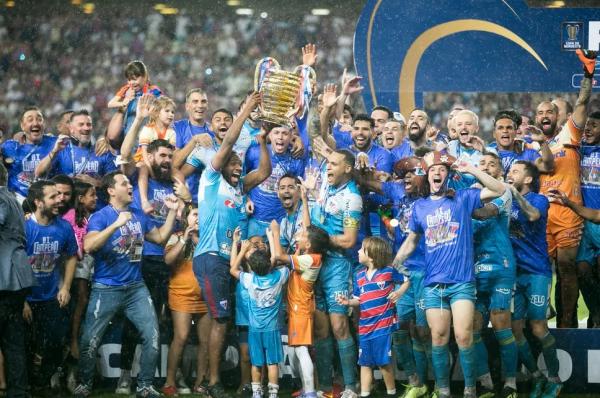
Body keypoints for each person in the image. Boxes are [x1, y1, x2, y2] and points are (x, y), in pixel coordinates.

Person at [392, 151, 506, 398]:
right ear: (427, 176)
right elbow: (412, 240)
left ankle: (469, 390)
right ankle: (443, 390)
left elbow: (499, 190)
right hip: (434, 284)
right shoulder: (419, 207)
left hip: (462, 282)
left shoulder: (463, 198)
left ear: (449, 175)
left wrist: (472, 169)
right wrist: (397, 260)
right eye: (433, 169)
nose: (437, 172)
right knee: (438, 338)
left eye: (442, 169)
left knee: (464, 337)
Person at [74, 171, 181, 398]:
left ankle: (145, 386)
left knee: (151, 335)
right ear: (111, 190)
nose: (130, 187)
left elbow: (161, 237)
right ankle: (84, 384)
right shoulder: (101, 216)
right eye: (124, 184)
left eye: (130, 184)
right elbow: (90, 245)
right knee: (89, 339)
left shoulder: (139, 215)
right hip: (106, 287)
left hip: (135, 288)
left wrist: (172, 211)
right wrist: (115, 225)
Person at [192, 92, 270, 398]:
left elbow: (263, 172)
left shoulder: (239, 185)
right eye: (234, 163)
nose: (238, 167)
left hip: (230, 261)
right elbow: (226, 146)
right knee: (221, 319)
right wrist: (248, 108)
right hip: (211, 257)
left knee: (218, 319)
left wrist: (262, 141)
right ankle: (212, 382)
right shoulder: (212, 178)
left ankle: (208, 380)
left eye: (240, 164)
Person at [353, 156, 430, 398]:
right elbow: (364, 181)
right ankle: (415, 380)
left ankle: (432, 383)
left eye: (413, 171)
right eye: (402, 172)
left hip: (426, 271)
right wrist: (357, 164)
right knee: (399, 331)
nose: (407, 175)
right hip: (399, 271)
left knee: (422, 331)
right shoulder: (396, 192)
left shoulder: (433, 198)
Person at [537, 49, 596, 328]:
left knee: (567, 269)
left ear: (558, 116)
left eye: (549, 111)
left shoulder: (568, 134)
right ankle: (540, 316)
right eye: (540, 112)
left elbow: (583, 101)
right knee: (538, 270)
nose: (544, 115)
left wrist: (588, 72)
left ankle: (567, 323)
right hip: (540, 217)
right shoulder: (530, 144)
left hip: (568, 215)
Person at [308, 149, 362, 398]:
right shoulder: (325, 185)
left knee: (340, 325)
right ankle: (326, 387)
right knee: (320, 328)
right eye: (327, 163)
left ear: (348, 168)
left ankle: (351, 385)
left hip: (337, 266)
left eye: (333, 164)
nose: (327, 168)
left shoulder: (352, 198)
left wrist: (320, 239)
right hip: (315, 263)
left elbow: (350, 240)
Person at [505, 161, 562, 398]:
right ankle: (537, 376)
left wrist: (513, 193)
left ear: (528, 179)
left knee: (538, 327)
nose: (510, 175)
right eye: (509, 172)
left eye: (515, 172)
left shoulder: (539, 199)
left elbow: (532, 215)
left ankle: (555, 379)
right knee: (515, 329)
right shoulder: (504, 200)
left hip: (537, 271)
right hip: (513, 274)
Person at [470, 152, 518, 398]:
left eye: (492, 164)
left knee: (501, 324)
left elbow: (485, 213)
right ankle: (486, 383)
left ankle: (511, 382)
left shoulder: (504, 192)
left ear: (500, 171)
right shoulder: (469, 193)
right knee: (474, 327)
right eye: (482, 164)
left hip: (501, 266)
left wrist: (459, 207)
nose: (487, 167)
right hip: (475, 271)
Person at [23, 180, 77, 393]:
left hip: (52, 296)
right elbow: (15, 263)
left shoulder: (64, 226)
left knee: (56, 341)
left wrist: (66, 287)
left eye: (60, 195)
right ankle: (28, 385)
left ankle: (43, 382)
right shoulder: (25, 227)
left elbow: (71, 256)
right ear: (38, 202)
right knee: (25, 345)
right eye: (53, 197)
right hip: (27, 298)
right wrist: (22, 300)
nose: (60, 200)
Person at [338, 237, 409, 398]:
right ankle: (364, 394)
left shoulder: (389, 271)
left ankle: (391, 393)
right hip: (365, 327)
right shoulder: (359, 276)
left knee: (383, 362)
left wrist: (399, 292)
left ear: (371, 255)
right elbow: (359, 299)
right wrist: (348, 302)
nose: (357, 251)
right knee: (364, 362)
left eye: (361, 249)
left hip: (383, 326)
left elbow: (406, 280)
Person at [267, 220, 329, 398]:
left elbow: (279, 256)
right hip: (297, 309)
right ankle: (306, 388)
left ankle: (310, 392)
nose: (298, 237)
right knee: (296, 351)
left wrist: (276, 232)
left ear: (309, 244)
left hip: (300, 308)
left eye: (302, 236)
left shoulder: (310, 259)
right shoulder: (307, 255)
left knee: (301, 350)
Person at [162, 205, 210, 396]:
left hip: (205, 296)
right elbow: (168, 260)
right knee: (180, 337)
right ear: (186, 218)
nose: (198, 218)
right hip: (181, 295)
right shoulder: (176, 236)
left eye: (201, 214)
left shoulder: (209, 237)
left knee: (205, 341)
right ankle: (170, 382)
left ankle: (200, 382)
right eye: (195, 214)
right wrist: (185, 238)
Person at [230, 248, 289, 398]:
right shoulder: (279, 276)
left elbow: (233, 270)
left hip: (255, 330)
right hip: (272, 329)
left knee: (256, 363)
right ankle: (273, 394)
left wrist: (242, 250)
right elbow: (289, 263)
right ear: (269, 263)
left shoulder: (249, 280)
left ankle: (256, 393)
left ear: (252, 267)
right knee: (272, 363)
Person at [0, 162, 35, 397]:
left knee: (11, 340)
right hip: (16, 277)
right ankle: (19, 391)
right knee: (13, 340)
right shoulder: (10, 196)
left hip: (5, 278)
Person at [61, 181, 97, 393]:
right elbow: (74, 246)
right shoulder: (71, 215)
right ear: (81, 197)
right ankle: (73, 341)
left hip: (89, 265)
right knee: (81, 298)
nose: (95, 198)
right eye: (92, 195)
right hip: (75, 265)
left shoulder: (89, 217)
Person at [245, 123, 307, 237]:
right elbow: (240, 180)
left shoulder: (296, 159)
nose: (280, 137)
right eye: (276, 133)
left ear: (291, 136)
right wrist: (246, 198)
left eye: (284, 133)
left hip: (281, 223)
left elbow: (299, 192)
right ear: (270, 135)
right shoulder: (255, 152)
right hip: (255, 219)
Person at [34, 110, 118, 186]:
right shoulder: (60, 149)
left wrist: (96, 183)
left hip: (96, 202)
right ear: (71, 129)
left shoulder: (102, 150)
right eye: (81, 124)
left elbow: (115, 185)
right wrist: (54, 151)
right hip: (68, 202)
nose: (86, 128)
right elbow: (38, 173)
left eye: (89, 124)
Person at [575, 111, 600, 327]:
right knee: (582, 271)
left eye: (594, 125)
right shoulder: (579, 150)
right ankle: (595, 312)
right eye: (587, 125)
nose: (588, 129)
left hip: (599, 220)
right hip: (582, 221)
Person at [0, 107, 56, 202]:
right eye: (30, 120)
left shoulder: (55, 143)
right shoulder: (10, 147)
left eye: (39, 119)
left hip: (47, 202)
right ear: (22, 126)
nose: (35, 123)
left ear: (44, 124)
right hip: (18, 202)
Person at [106, 60, 162, 144]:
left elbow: (162, 108)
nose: (131, 83)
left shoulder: (154, 91)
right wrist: (125, 102)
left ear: (145, 77)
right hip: (129, 136)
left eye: (135, 79)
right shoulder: (126, 89)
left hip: (148, 138)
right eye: (129, 80)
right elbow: (110, 104)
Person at [486, 109, 553, 175]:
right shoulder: (486, 154)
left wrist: (542, 142)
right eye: (500, 128)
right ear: (494, 134)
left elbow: (548, 167)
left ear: (515, 132)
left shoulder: (528, 154)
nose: (505, 131)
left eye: (509, 128)